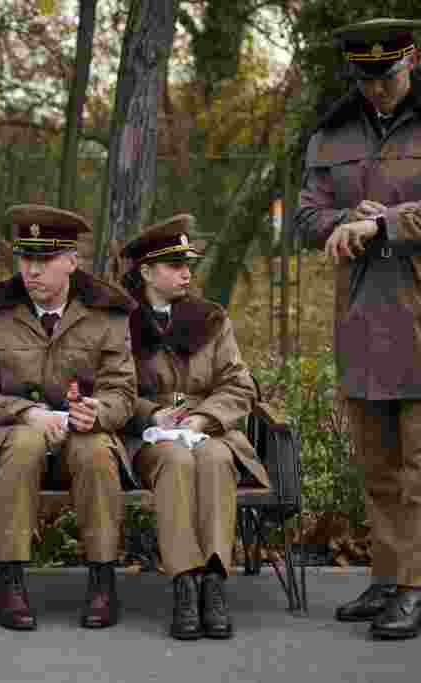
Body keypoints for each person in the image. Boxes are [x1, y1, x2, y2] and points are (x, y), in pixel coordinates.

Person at [297, 18, 421, 640]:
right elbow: (305, 215)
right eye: (365, 77)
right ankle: (387, 578)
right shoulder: (333, 132)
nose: (377, 88)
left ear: (411, 61)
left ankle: (416, 590)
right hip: (361, 316)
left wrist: (384, 224)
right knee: (378, 467)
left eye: (387, 75)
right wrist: (340, 219)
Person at [0, 204, 137, 631]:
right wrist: (24, 412)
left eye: (45, 260)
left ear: (71, 262)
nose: (32, 270)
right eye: (25, 258)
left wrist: (99, 410)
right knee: (25, 442)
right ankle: (10, 583)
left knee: (94, 451)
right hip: (10, 434)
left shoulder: (107, 315)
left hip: (81, 431)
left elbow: (123, 393)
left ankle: (102, 581)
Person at [119, 215, 268, 641]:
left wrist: (204, 418)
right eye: (173, 265)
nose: (186, 272)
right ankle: (185, 581)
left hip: (211, 427)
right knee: (175, 460)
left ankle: (214, 581)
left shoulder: (212, 319)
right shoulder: (119, 325)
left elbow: (239, 384)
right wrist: (151, 414)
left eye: (188, 263)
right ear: (146, 272)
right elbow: (112, 387)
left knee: (216, 458)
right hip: (153, 436)